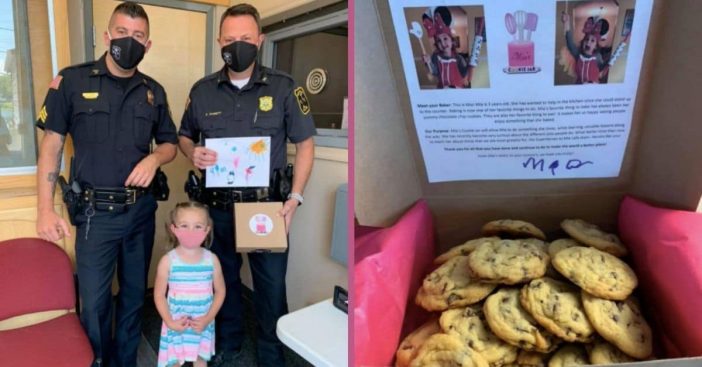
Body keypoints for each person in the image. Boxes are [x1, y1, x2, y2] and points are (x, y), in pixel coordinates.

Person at [34, 2, 177, 366]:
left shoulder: (154, 91)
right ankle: (95, 362)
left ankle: (125, 361)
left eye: (138, 36)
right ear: (107, 35)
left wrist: (154, 158)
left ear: (148, 45)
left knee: (132, 298)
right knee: (95, 303)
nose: (129, 41)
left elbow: (170, 143)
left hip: (140, 212)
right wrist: (45, 209)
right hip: (94, 216)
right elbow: (51, 144)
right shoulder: (72, 80)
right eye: (122, 33)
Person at [178, 4, 316, 366]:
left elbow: (305, 144)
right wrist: (194, 153)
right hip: (217, 207)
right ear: (219, 42)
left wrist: (295, 198)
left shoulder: (284, 87)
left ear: (260, 40)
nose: (237, 45)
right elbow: (183, 136)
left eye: (245, 38)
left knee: (270, 288)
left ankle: (272, 354)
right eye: (229, 39)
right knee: (222, 280)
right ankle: (230, 341)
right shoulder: (203, 90)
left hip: (265, 208)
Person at [155, 202, 225, 367]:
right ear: (174, 228)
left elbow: (220, 291)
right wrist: (170, 322)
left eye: (198, 226)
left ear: (207, 229)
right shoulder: (167, 261)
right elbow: (159, 295)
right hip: (174, 321)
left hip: (202, 322)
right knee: (174, 361)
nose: (190, 232)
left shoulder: (212, 260)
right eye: (184, 225)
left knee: (200, 359)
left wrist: (208, 318)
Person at [421, 7, 472, 89]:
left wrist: (470, 64)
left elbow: (463, 73)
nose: (443, 43)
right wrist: (428, 62)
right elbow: (434, 72)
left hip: (457, 90)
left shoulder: (459, 58)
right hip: (443, 90)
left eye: (445, 39)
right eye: (439, 41)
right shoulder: (435, 57)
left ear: (452, 41)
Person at [561, 12, 608, 84]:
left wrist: (608, 62)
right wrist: (566, 22)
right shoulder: (578, 55)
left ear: (595, 46)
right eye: (586, 39)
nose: (588, 42)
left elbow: (602, 68)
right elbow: (569, 42)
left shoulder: (597, 56)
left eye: (592, 41)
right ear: (583, 42)